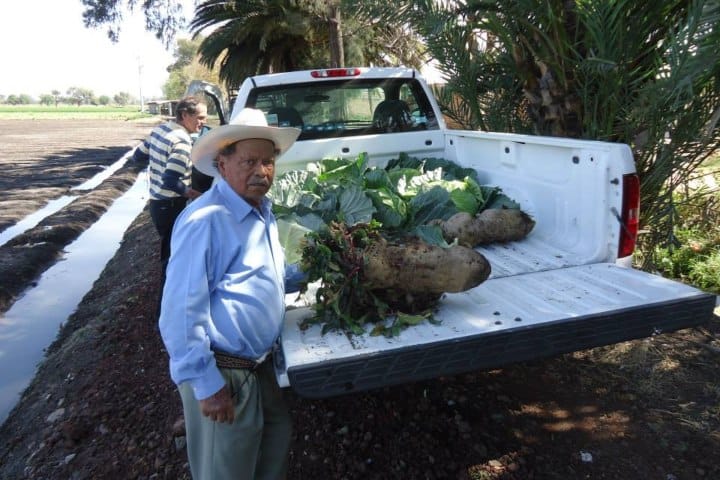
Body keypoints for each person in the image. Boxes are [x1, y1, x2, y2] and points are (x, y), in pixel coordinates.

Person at [158, 108, 303, 480]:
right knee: (229, 469)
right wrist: (207, 386)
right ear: (222, 164)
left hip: (258, 367)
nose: (261, 171)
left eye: (268, 162)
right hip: (225, 373)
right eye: (249, 161)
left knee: (272, 447)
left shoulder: (260, 211)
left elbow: (262, 276)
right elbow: (180, 313)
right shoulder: (205, 220)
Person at [132, 96, 208, 274]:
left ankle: (169, 295)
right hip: (171, 206)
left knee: (169, 250)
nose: (203, 122)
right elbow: (171, 181)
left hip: (156, 204)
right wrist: (199, 196)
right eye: (200, 117)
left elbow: (137, 156)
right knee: (172, 257)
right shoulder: (182, 142)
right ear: (184, 115)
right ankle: (167, 298)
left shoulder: (160, 130)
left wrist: (158, 159)